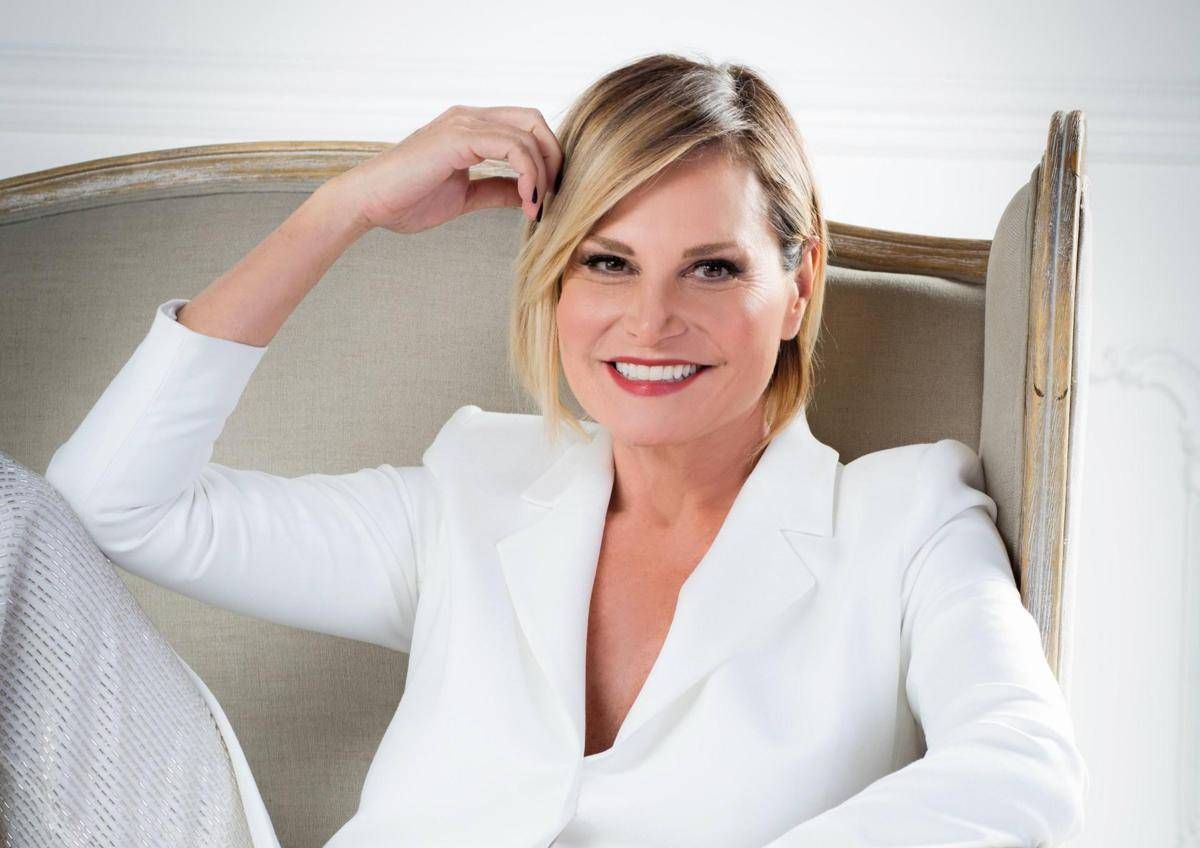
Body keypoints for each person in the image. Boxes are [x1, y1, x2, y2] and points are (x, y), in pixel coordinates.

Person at [24, 52, 1087, 846]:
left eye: (713, 267)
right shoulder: (474, 488)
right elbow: (111, 502)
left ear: (799, 285)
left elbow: (1024, 766)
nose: (651, 321)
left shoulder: (907, 517)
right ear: (557, 280)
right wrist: (342, 208)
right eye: (608, 262)